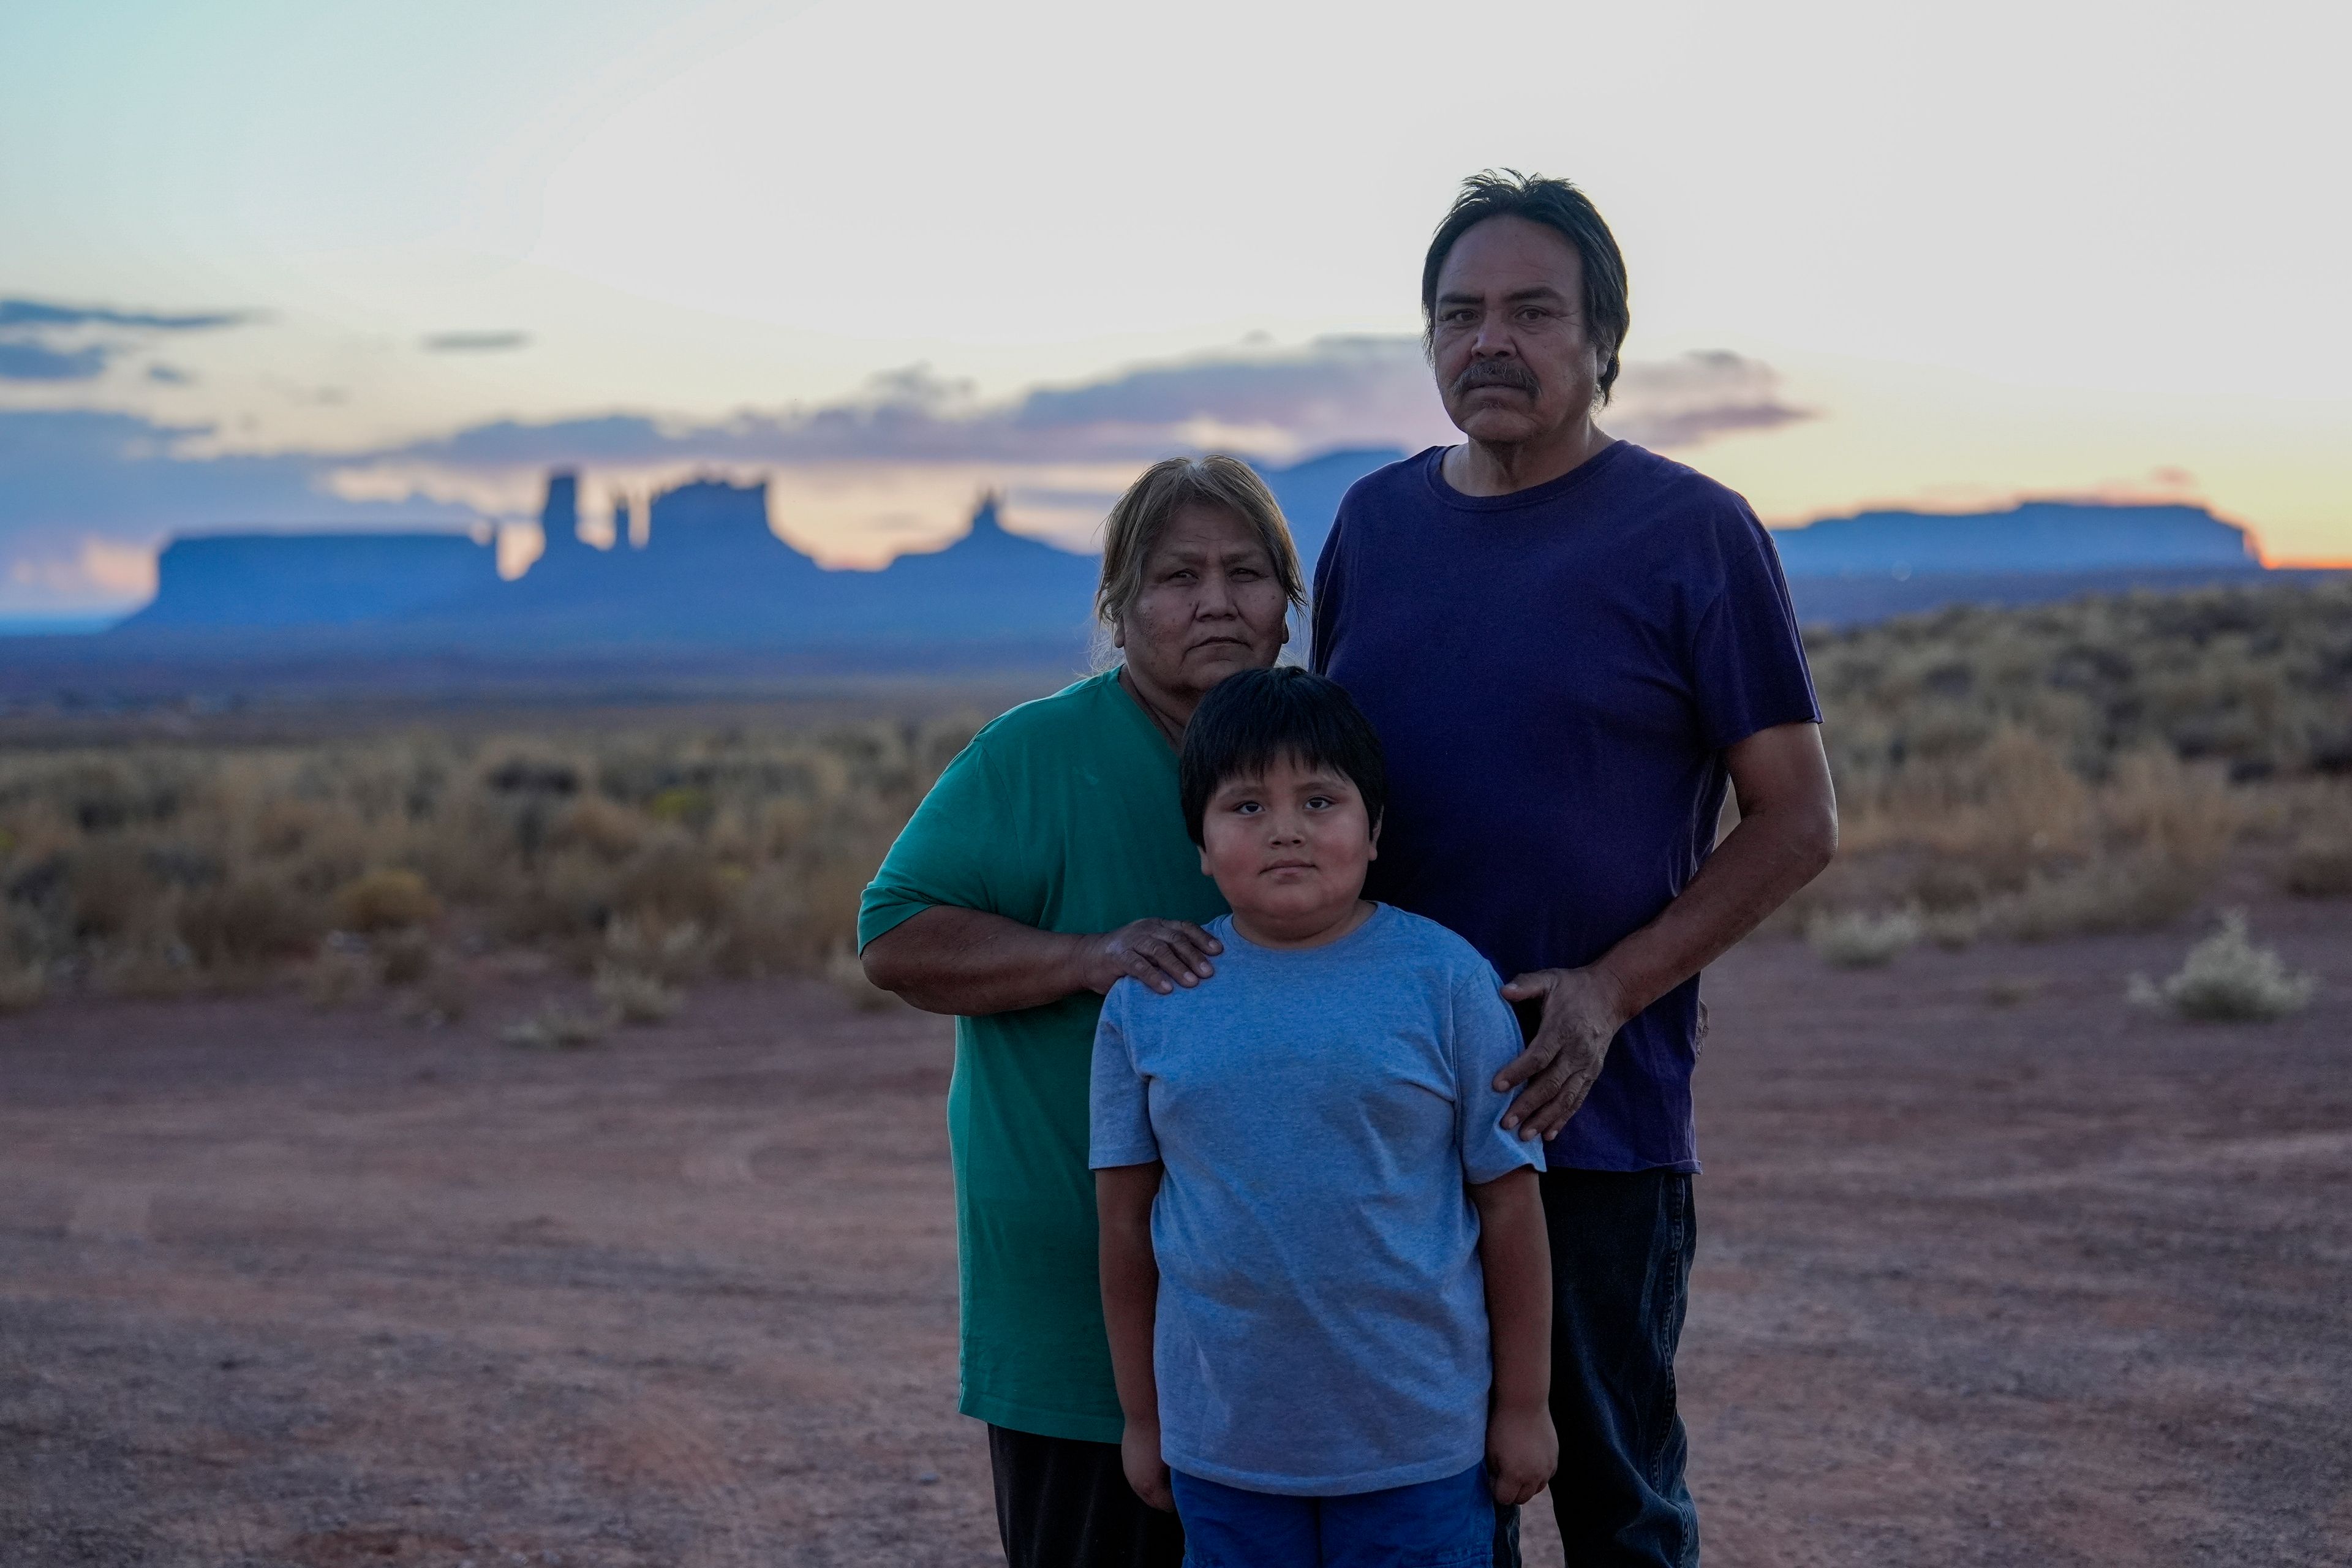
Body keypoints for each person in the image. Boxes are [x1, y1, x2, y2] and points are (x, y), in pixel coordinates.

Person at [1312, 171, 1839, 1567]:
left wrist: (1612, 989)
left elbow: (1796, 817)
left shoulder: (1692, 533)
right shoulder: (1372, 528)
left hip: (1586, 1109)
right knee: (1426, 1496)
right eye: (1459, 312)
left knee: (1615, 1495)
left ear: (1605, 341)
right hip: (1394, 1115)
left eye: (1533, 311)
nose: (1491, 340)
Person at [858, 456, 1302, 1568]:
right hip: (1076, 1315)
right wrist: (1083, 957)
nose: (1215, 601)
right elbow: (896, 934)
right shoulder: (1036, 754)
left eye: (1247, 573)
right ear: (1117, 605)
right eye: (1176, 576)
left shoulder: (1319, 759)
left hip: (1291, 1310)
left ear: (1287, 603)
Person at [1091, 666, 1555, 1568]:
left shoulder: (1448, 982)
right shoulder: (1151, 1001)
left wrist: (1525, 1406)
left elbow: (1508, 1207)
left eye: (1319, 800)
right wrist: (1143, 1418)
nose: (1288, 831)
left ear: (1374, 830)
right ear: (1199, 842)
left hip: (1417, 1447)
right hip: (1224, 1450)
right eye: (1247, 808)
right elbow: (1122, 1223)